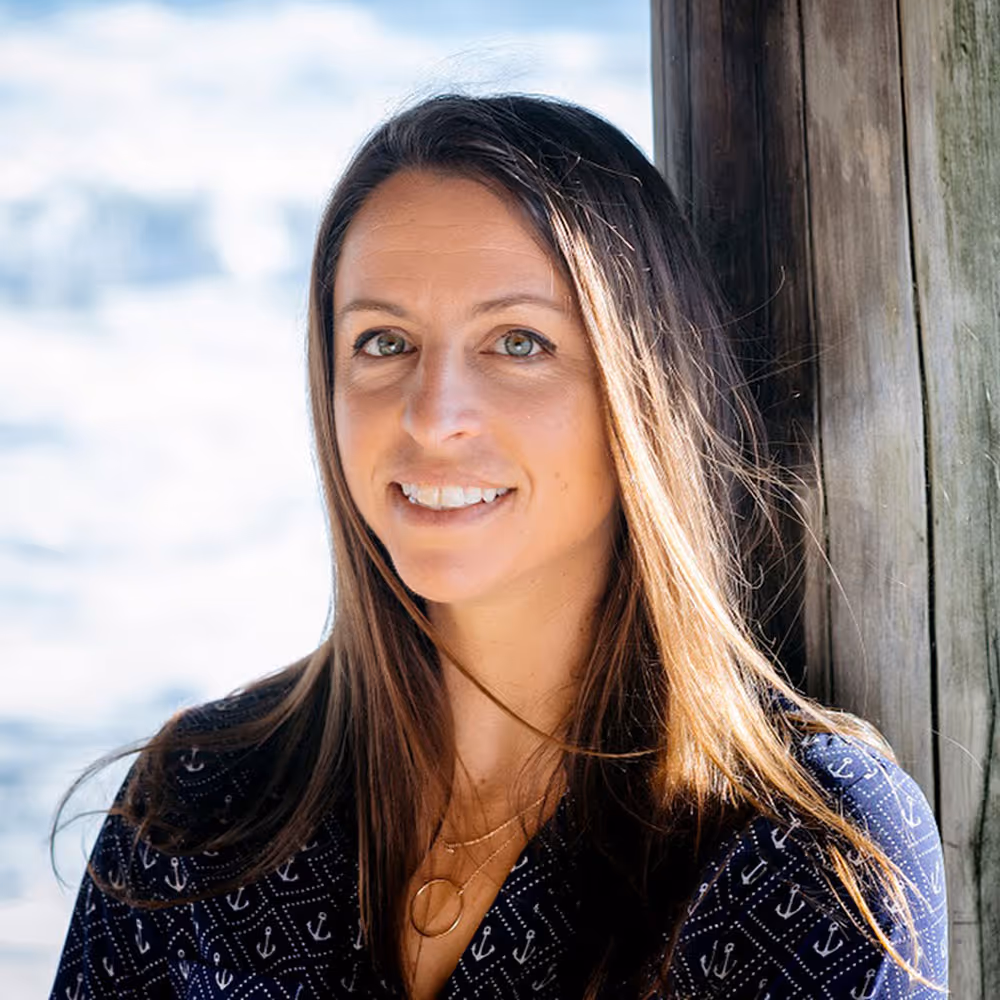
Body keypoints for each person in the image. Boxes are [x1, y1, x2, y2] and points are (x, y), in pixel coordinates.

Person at [50, 94, 948, 999]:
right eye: (383, 341)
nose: (432, 417)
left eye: (517, 342)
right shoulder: (199, 802)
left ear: (642, 390)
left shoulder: (801, 855)